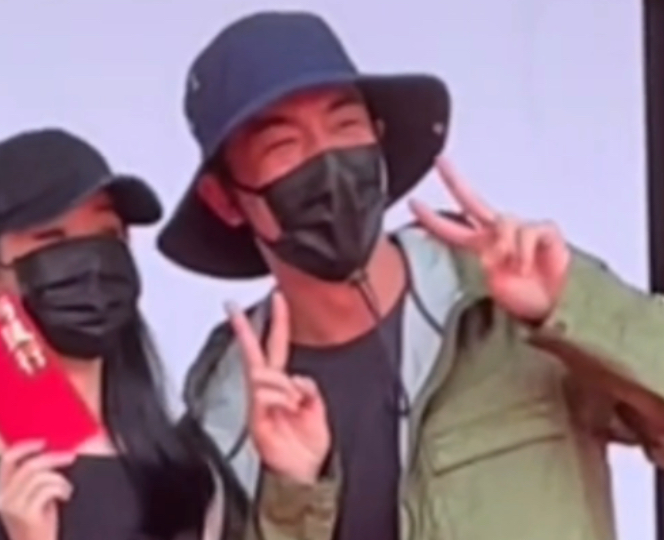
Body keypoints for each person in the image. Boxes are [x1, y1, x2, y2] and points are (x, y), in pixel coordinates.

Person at [158, 11, 664, 540]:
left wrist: (572, 307)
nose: (328, 161)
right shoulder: (226, 419)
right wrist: (291, 494)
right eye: (283, 146)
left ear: (377, 142)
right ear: (224, 200)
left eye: (345, 126)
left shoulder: (500, 308)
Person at [0, 128, 333, 540]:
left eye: (108, 235)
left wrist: (294, 488)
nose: (89, 262)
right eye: (51, 238)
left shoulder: (188, 475)